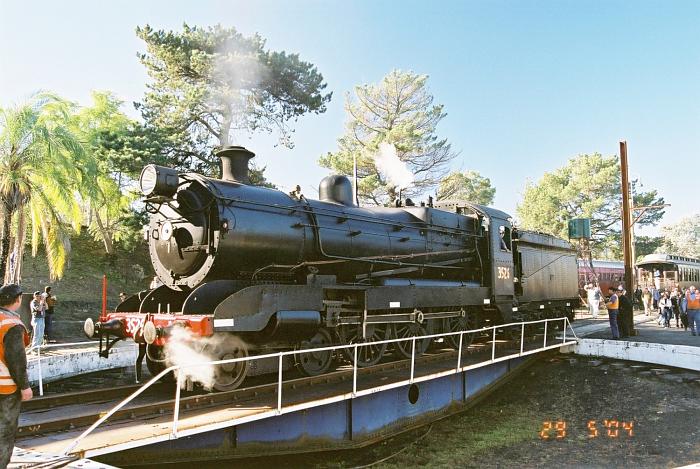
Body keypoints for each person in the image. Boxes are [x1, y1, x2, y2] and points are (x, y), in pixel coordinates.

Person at [0, 284, 33, 468]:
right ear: (18, 299)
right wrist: (25, 386)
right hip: (6, 388)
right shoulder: (12, 325)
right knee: (4, 431)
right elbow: (17, 361)